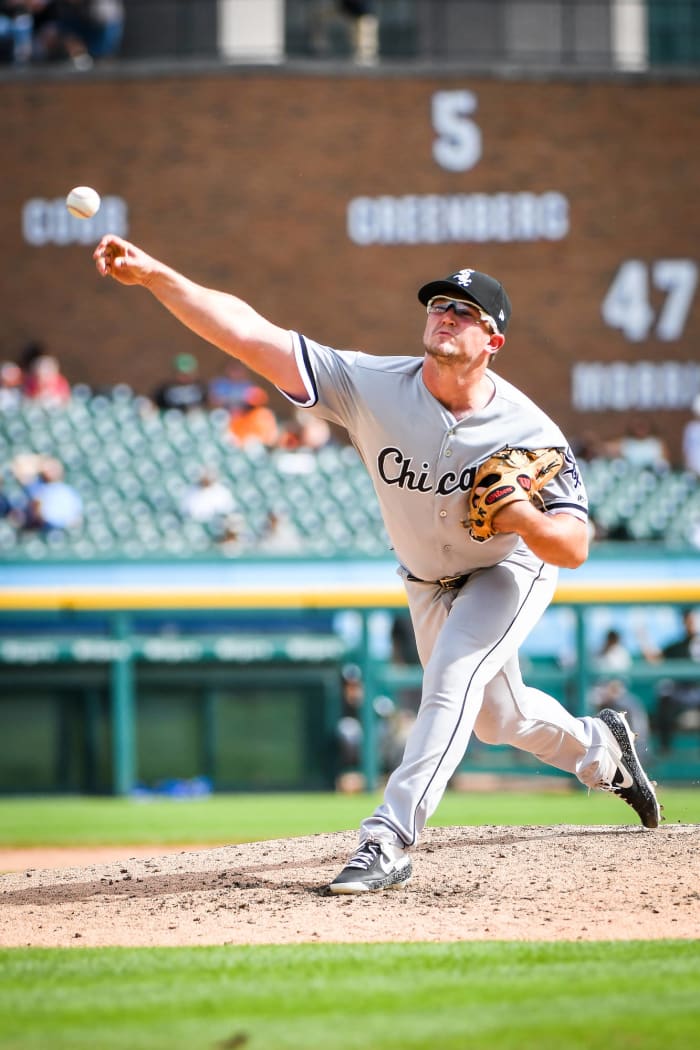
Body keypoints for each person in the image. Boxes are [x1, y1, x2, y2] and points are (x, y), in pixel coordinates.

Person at [93, 236, 662, 893]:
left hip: (511, 568)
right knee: (497, 718)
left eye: (466, 310)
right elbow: (252, 335)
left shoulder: (529, 431)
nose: (446, 314)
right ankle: (603, 749)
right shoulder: (371, 385)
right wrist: (160, 276)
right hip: (425, 579)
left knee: (452, 675)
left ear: (493, 342)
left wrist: (525, 519)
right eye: (439, 304)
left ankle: (388, 839)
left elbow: (574, 546)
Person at [645, 608, 700, 754]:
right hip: (681, 692)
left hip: (697, 691)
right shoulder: (677, 645)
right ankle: (665, 750)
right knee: (665, 702)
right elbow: (655, 659)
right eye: (687, 620)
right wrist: (643, 637)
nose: (690, 623)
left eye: (692, 619)